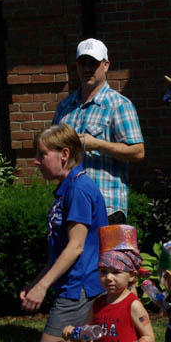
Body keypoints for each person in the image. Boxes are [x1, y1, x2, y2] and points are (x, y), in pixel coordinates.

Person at [21, 123, 112, 342]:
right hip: (82, 285)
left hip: (79, 288)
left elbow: (75, 247)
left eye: (41, 154)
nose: (36, 161)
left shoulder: (79, 190)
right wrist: (37, 281)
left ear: (64, 154)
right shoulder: (69, 188)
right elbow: (62, 249)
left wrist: (43, 287)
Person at [53, 38, 144, 223]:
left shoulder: (119, 105)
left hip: (106, 206)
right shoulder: (65, 106)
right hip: (69, 205)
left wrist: (97, 145)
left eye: (93, 63)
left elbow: (138, 152)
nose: (87, 69)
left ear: (106, 65)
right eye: (83, 63)